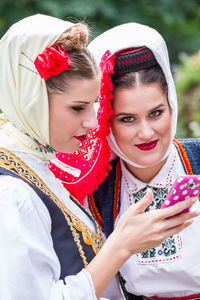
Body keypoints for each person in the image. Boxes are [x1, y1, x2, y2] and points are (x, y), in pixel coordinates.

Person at [0, 15, 198, 300]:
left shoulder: (42, 171)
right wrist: (120, 246)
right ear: (33, 100)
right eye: (127, 118)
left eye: (156, 112)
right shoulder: (73, 189)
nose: (93, 123)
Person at [87, 23, 200, 299]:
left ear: (171, 104)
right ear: (105, 121)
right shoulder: (95, 191)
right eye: (127, 119)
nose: (146, 132)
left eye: (156, 113)